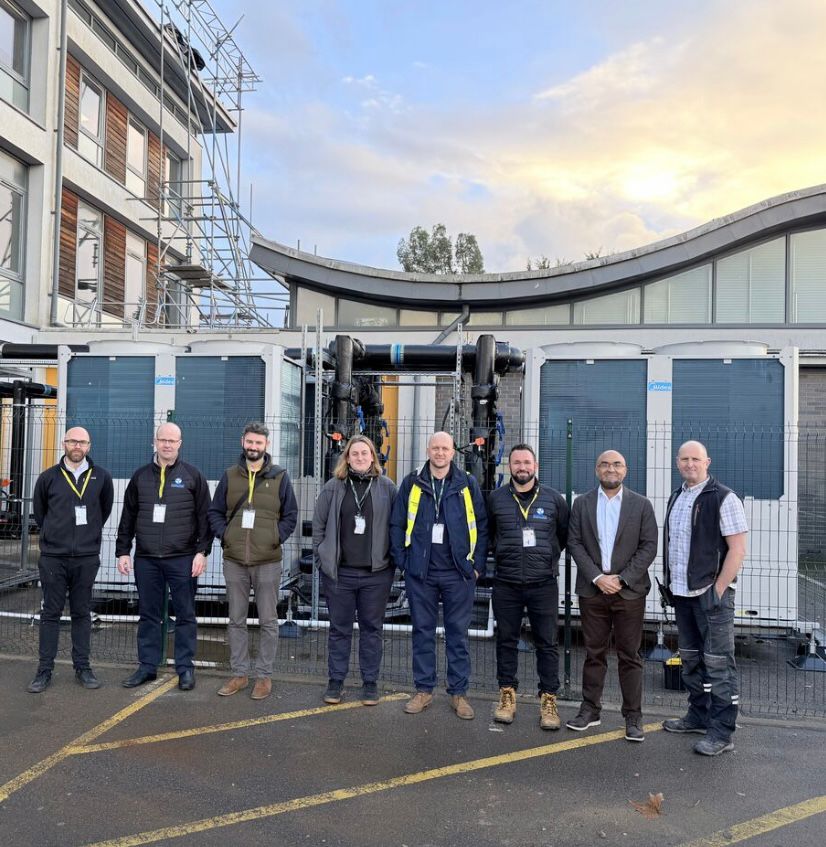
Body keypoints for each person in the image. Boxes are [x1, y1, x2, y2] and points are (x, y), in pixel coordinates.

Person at [389, 431, 488, 720]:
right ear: (428, 450)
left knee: (458, 634)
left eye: (445, 448)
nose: (440, 453)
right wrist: (404, 562)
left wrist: (476, 565)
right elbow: (396, 524)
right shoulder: (413, 483)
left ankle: (458, 693)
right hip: (421, 573)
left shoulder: (467, 484)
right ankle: (423, 690)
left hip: (459, 573)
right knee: (422, 632)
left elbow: (481, 526)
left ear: (453, 452)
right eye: (436, 448)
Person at [662, 440, 748, 756]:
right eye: (684, 459)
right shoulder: (677, 497)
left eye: (695, 459)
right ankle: (697, 716)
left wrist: (719, 589)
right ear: (677, 462)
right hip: (682, 595)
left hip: (711, 597)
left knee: (719, 664)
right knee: (690, 659)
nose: (689, 464)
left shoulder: (724, 498)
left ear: (707, 461)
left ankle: (722, 732)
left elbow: (737, 549)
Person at [565, 450, 658, 741]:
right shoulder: (581, 504)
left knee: (630, 655)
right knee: (594, 653)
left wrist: (622, 578)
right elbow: (574, 543)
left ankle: (633, 717)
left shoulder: (641, 505)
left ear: (625, 470)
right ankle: (590, 710)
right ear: (596, 470)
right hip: (593, 591)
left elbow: (649, 546)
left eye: (616, 464)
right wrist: (597, 577)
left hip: (629, 593)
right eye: (605, 464)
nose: (610, 469)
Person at [116, 422, 212, 691]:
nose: (167, 445)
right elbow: (128, 517)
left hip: (182, 558)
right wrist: (123, 551)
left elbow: (205, 519)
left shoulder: (193, 476)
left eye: (172, 440)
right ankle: (147, 667)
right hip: (146, 559)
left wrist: (202, 552)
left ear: (180, 443)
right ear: (154, 442)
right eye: (162, 440)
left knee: (185, 614)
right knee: (149, 615)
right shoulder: (139, 477)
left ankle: (185, 668)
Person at [208, 422, 298, 700]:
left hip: (268, 560)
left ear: (266, 445)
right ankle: (239, 674)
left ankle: (264, 676)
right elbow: (215, 512)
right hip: (235, 560)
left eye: (259, 443)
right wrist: (226, 537)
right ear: (242, 442)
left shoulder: (280, 477)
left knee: (269, 621)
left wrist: (274, 537)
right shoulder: (230, 475)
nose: (254, 447)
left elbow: (291, 516)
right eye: (250, 442)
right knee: (236, 619)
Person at [486, 444, 568, 729]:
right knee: (506, 640)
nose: (522, 467)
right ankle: (507, 696)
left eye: (527, 462)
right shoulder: (496, 499)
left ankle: (549, 701)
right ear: (510, 467)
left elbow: (562, 536)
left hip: (543, 583)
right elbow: (489, 534)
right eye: (517, 462)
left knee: (547, 643)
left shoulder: (554, 500)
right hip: (506, 582)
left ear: (536, 466)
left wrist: (546, 558)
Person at [26, 427, 114, 693]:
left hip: (86, 558)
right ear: (64, 443)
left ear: (89, 445)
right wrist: (56, 537)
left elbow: (104, 509)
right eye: (73, 441)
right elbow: (41, 513)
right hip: (53, 558)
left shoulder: (101, 477)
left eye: (83, 442)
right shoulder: (48, 478)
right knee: (50, 614)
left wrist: (87, 538)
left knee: (81, 613)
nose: (77, 446)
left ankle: (83, 667)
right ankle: (44, 670)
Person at [312, 435, 397, 705]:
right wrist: (321, 558)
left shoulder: (387, 488)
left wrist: (391, 562)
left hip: (376, 574)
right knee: (339, 630)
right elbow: (318, 527)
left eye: (365, 453)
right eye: (355, 453)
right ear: (347, 458)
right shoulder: (333, 487)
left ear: (374, 456)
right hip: (340, 574)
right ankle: (336, 681)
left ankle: (370, 683)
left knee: (372, 629)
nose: (360, 458)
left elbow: (397, 527)